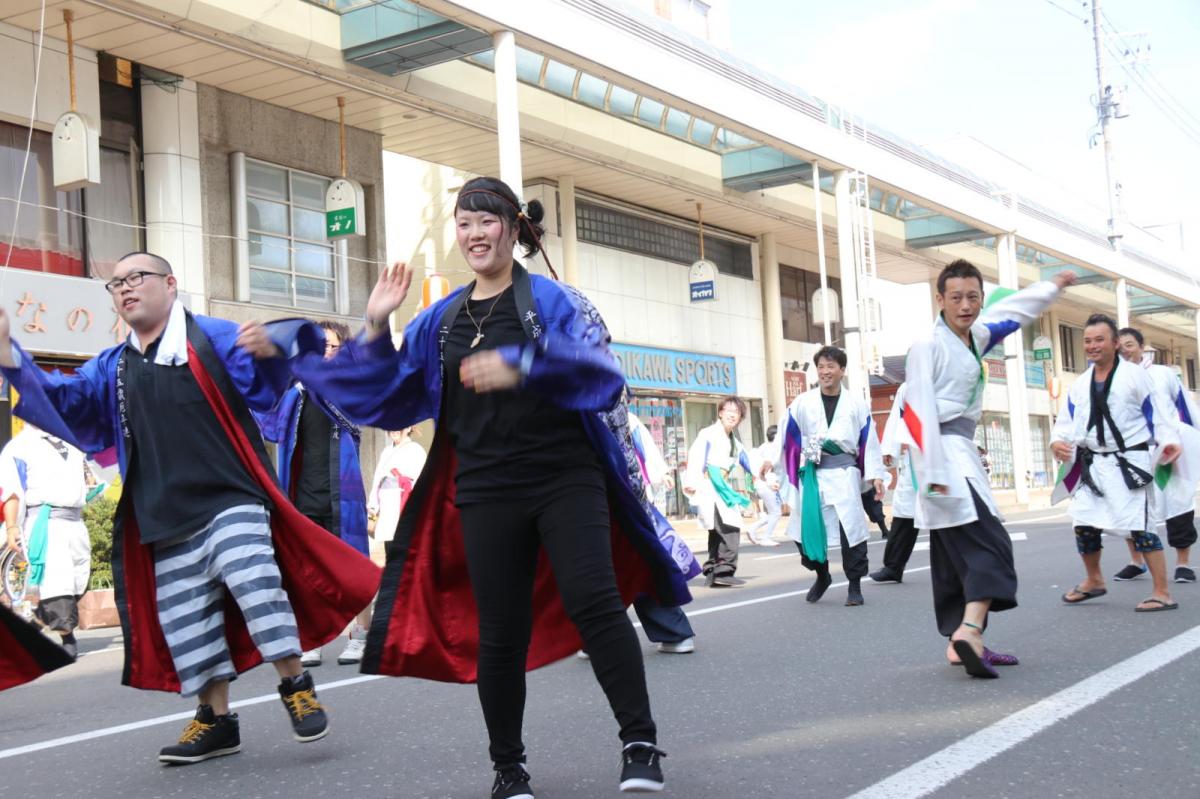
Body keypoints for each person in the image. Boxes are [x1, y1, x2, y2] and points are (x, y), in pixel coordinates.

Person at [284, 177, 694, 797]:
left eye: (486, 222)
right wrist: (373, 324)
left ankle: (640, 744)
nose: (474, 234)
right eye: (464, 223)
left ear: (511, 227)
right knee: (499, 630)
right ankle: (509, 769)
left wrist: (522, 364)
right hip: (483, 487)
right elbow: (388, 396)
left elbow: (601, 370)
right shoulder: (441, 320)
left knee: (596, 602)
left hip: (564, 477)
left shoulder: (555, 302)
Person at [0, 252, 380, 764]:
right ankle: (216, 720)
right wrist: (9, 354)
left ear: (170, 284)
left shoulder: (212, 338)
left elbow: (269, 384)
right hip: (163, 515)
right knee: (190, 623)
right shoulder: (111, 367)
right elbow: (64, 402)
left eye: (137, 277)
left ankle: (296, 683)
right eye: (116, 283)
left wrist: (274, 349)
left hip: (230, 499)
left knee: (255, 582)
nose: (126, 288)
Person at [903, 260, 1075, 678]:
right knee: (992, 545)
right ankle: (970, 629)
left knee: (952, 555)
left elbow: (1012, 313)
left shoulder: (975, 336)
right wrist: (933, 478)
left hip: (956, 454)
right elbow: (916, 412)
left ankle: (956, 643)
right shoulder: (927, 345)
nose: (966, 305)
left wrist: (1050, 286)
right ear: (939, 299)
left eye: (973, 297)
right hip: (942, 459)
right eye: (956, 297)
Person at [259, 320, 373, 667]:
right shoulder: (295, 394)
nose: (323, 351)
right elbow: (266, 421)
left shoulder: (348, 388)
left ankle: (362, 635)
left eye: (331, 346)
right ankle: (313, 638)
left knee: (353, 566)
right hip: (303, 496)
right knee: (307, 573)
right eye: (317, 345)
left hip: (344, 494)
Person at [1052, 315, 1181, 613]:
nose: (1093, 346)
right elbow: (1066, 421)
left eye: (1099, 340)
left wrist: (1168, 440)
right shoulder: (1080, 384)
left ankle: (1162, 592)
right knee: (1083, 522)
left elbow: (1159, 414)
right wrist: (1057, 441)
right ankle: (1094, 580)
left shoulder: (1136, 376)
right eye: (1087, 341)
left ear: (1113, 343)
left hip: (1129, 463)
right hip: (1092, 464)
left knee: (1141, 528)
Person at [777, 346, 885, 606]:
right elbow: (786, 435)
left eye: (831, 367)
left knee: (851, 529)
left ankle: (854, 585)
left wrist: (875, 474)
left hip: (844, 472)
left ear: (842, 370)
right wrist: (772, 460)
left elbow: (868, 441)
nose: (825, 372)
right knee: (804, 530)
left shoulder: (856, 404)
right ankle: (822, 574)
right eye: (821, 367)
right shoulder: (803, 402)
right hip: (813, 473)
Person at [1, 424, 95, 658]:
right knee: (57, 582)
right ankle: (67, 637)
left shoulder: (72, 441)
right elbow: (11, 491)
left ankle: (32, 627)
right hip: (45, 522)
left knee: (78, 580)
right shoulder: (18, 447)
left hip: (75, 521)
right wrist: (12, 526)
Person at [1112, 327, 1197, 584]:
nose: (1124, 350)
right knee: (1131, 506)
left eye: (1129, 344)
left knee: (1178, 503)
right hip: (1131, 452)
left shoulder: (1163, 375)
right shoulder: (1113, 378)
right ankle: (1136, 561)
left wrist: (1189, 439)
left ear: (1140, 346)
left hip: (1166, 450)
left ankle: (1183, 563)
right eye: (1120, 346)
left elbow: (1185, 408)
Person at [628, 412, 697, 654]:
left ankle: (593, 635)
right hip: (620, 497)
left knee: (621, 564)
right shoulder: (606, 402)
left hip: (602, 497)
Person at [685, 397, 755, 587]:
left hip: (721, 487)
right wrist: (692, 481)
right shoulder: (708, 433)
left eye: (737, 412)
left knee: (718, 531)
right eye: (729, 410)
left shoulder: (734, 440)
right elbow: (696, 455)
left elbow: (746, 460)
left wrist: (759, 473)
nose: (733, 414)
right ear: (721, 412)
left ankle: (714, 570)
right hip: (710, 486)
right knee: (729, 528)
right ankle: (723, 570)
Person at [871, 383, 919, 584]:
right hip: (917, 459)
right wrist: (890, 449)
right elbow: (898, 420)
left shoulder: (950, 377)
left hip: (946, 457)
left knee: (951, 515)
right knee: (904, 511)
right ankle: (893, 566)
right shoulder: (908, 388)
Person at [367, 427, 426, 562]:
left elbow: (422, 484)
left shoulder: (416, 450)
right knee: (390, 554)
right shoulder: (387, 451)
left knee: (406, 557)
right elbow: (377, 481)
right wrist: (373, 509)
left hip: (405, 508)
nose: (395, 429)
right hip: (387, 510)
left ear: (410, 427)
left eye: (401, 425)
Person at [747, 425, 783, 546]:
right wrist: (771, 483)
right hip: (767, 484)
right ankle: (766, 538)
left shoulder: (764, 446)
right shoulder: (773, 448)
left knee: (774, 512)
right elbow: (765, 469)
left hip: (762, 484)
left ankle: (752, 529)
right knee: (776, 512)